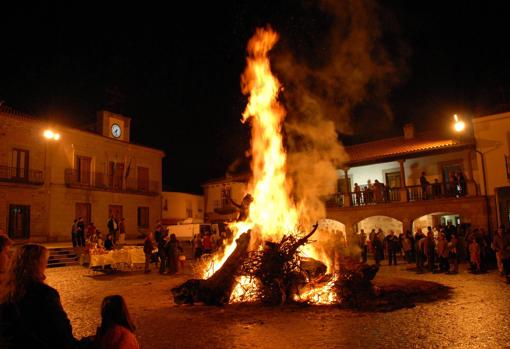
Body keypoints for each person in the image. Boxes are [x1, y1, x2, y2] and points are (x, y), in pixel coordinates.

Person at [0, 244, 80, 348]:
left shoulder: (7, 290)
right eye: (44, 262)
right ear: (37, 264)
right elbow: (62, 332)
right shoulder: (45, 294)